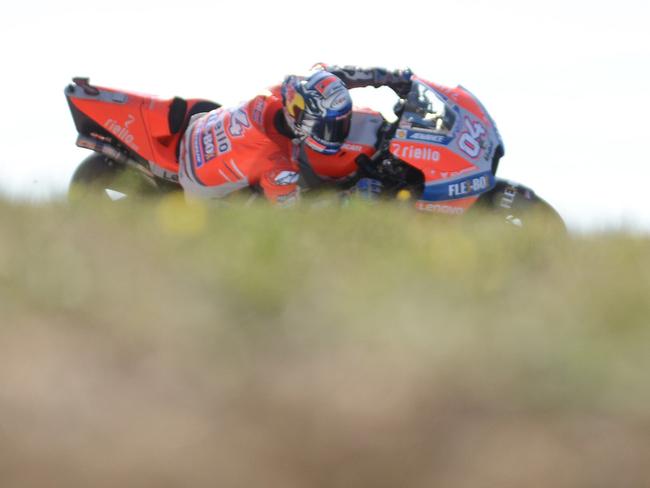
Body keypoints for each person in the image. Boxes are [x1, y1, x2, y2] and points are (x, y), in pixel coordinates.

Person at [177, 65, 412, 205]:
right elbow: (297, 214)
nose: (338, 134)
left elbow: (335, 75)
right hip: (207, 197)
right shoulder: (278, 164)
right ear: (303, 119)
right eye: (329, 127)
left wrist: (390, 78)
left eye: (342, 123)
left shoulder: (286, 92)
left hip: (199, 129)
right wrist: (349, 198)